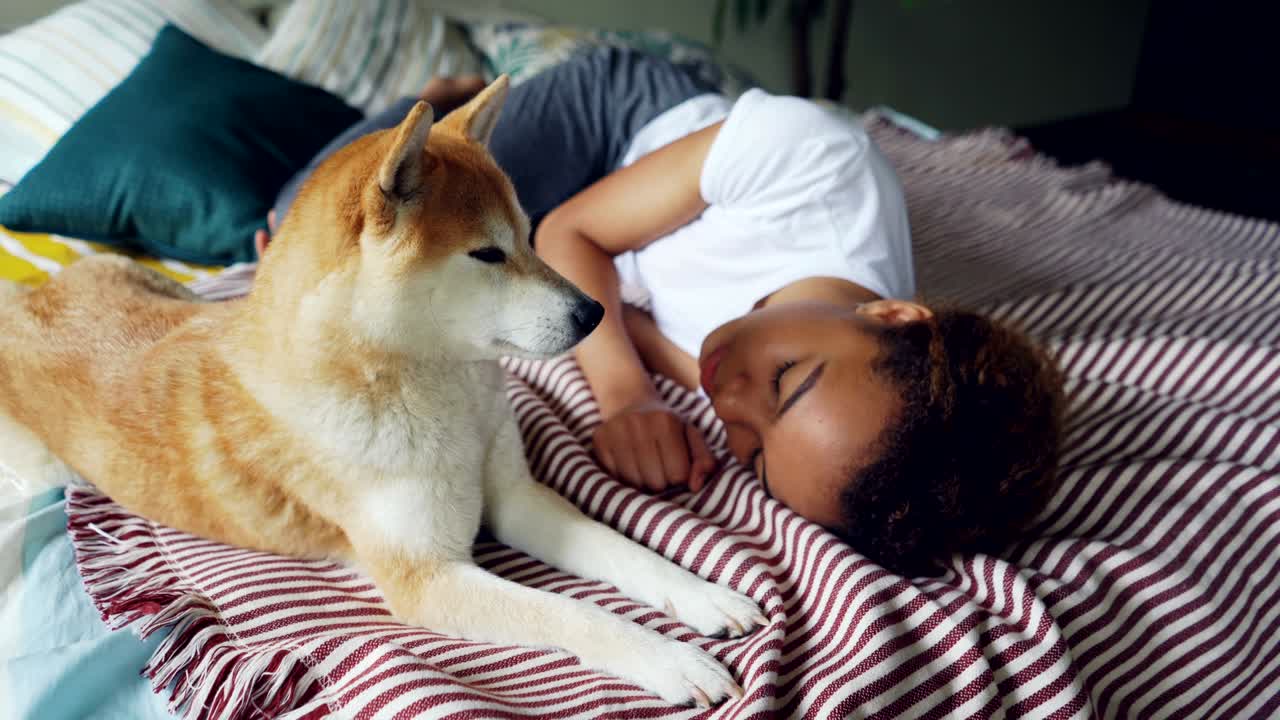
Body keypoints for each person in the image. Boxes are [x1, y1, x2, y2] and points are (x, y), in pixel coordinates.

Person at [259, 47, 1065, 575]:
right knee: (307, 221)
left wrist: (641, 345)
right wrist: (626, 395)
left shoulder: (757, 385)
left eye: (749, 452)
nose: (728, 397)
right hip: (620, 123)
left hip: (603, 231)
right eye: (788, 380)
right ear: (893, 314)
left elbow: (631, 313)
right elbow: (575, 231)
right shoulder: (812, 159)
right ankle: (451, 90)